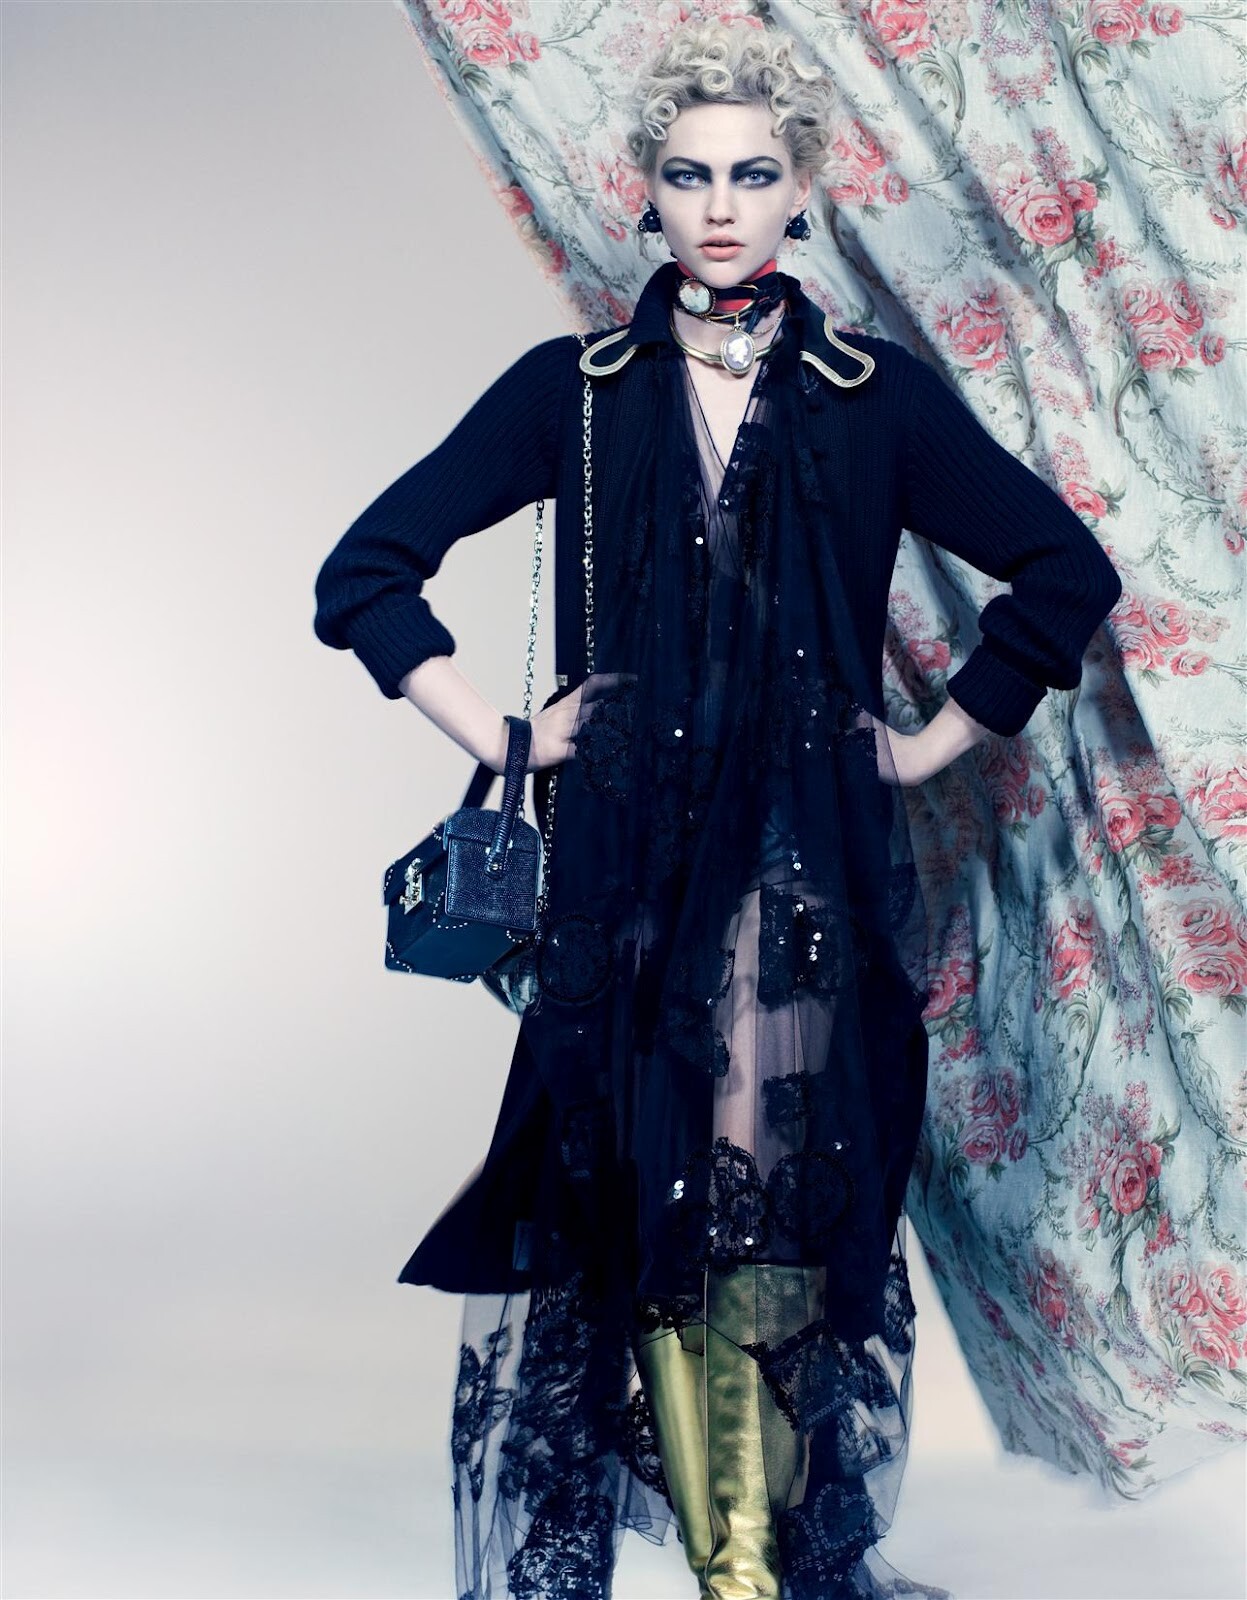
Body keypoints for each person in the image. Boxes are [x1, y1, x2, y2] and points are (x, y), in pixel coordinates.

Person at [312, 20, 1123, 1599]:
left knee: (764, 1200)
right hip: (623, 875)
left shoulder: (872, 400)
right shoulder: (575, 394)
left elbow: (1061, 571)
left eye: (754, 174)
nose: (723, 206)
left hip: (806, 864)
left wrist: (933, 743)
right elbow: (367, 571)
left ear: (805, 187)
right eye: (690, 176)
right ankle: (710, 1548)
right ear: (648, 191)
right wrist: (503, 734)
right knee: (630, 1193)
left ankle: (746, 1558)